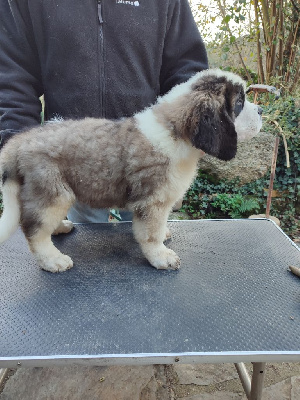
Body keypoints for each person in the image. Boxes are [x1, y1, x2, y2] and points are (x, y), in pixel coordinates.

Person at [0, 0, 208, 222]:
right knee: (79, 249)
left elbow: (186, 69)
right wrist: (16, 146)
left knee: (148, 249)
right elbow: (13, 76)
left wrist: (196, 132)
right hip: (70, 163)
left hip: (149, 162)